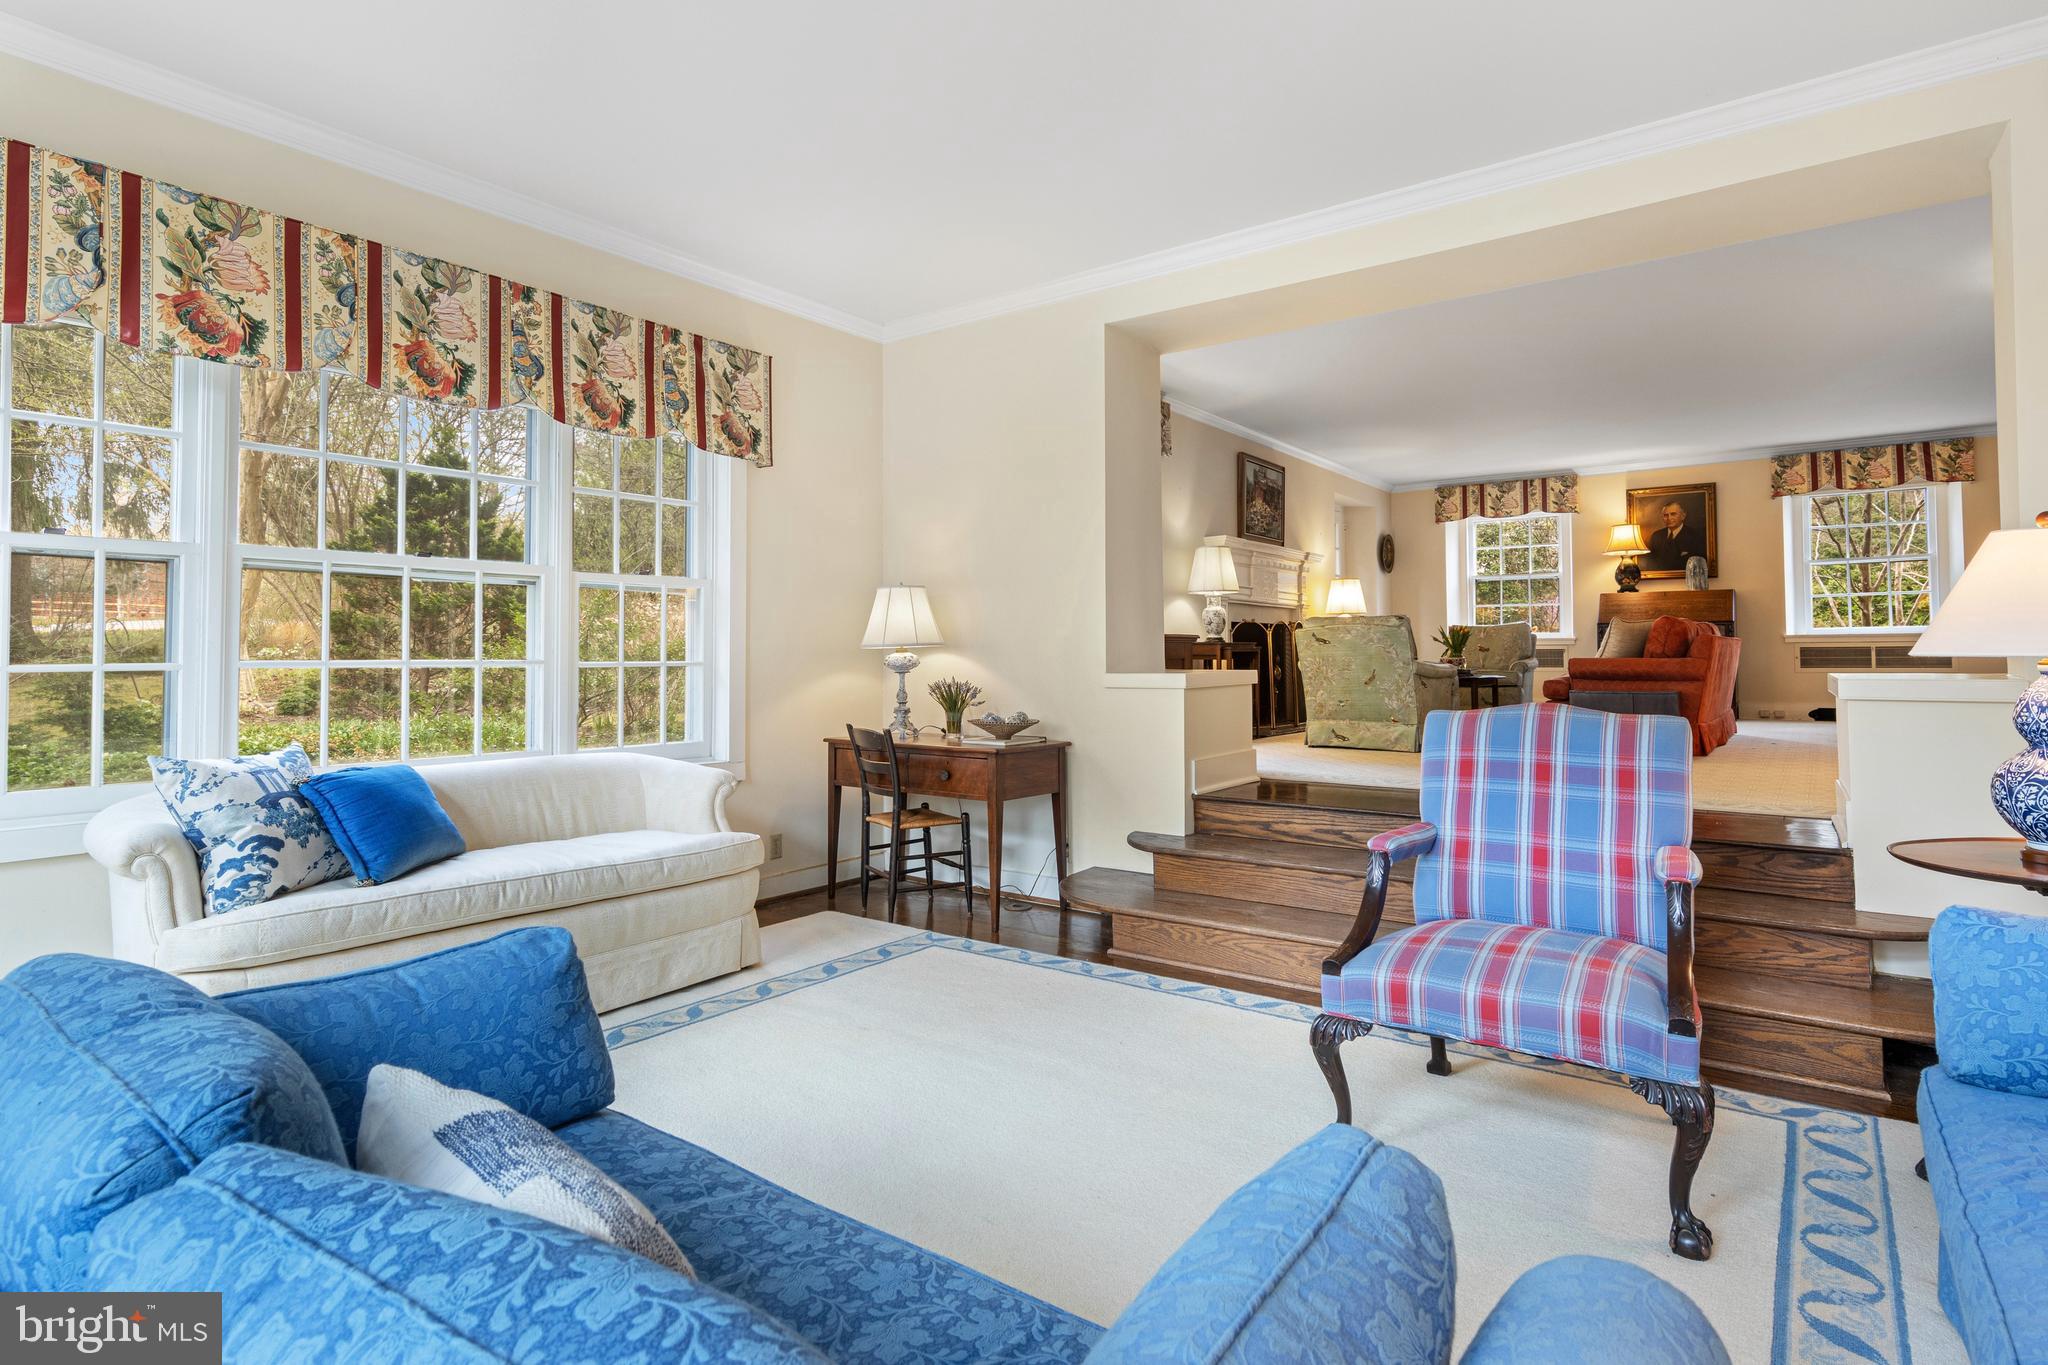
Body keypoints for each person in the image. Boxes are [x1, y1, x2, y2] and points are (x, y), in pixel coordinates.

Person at [1643, 499, 1706, 572]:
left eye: (1673, 514)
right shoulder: (1656, 536)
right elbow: (1651, 564)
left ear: (1683, 516)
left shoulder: (1695, 536)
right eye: (1666, 515)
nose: (1669, 518)